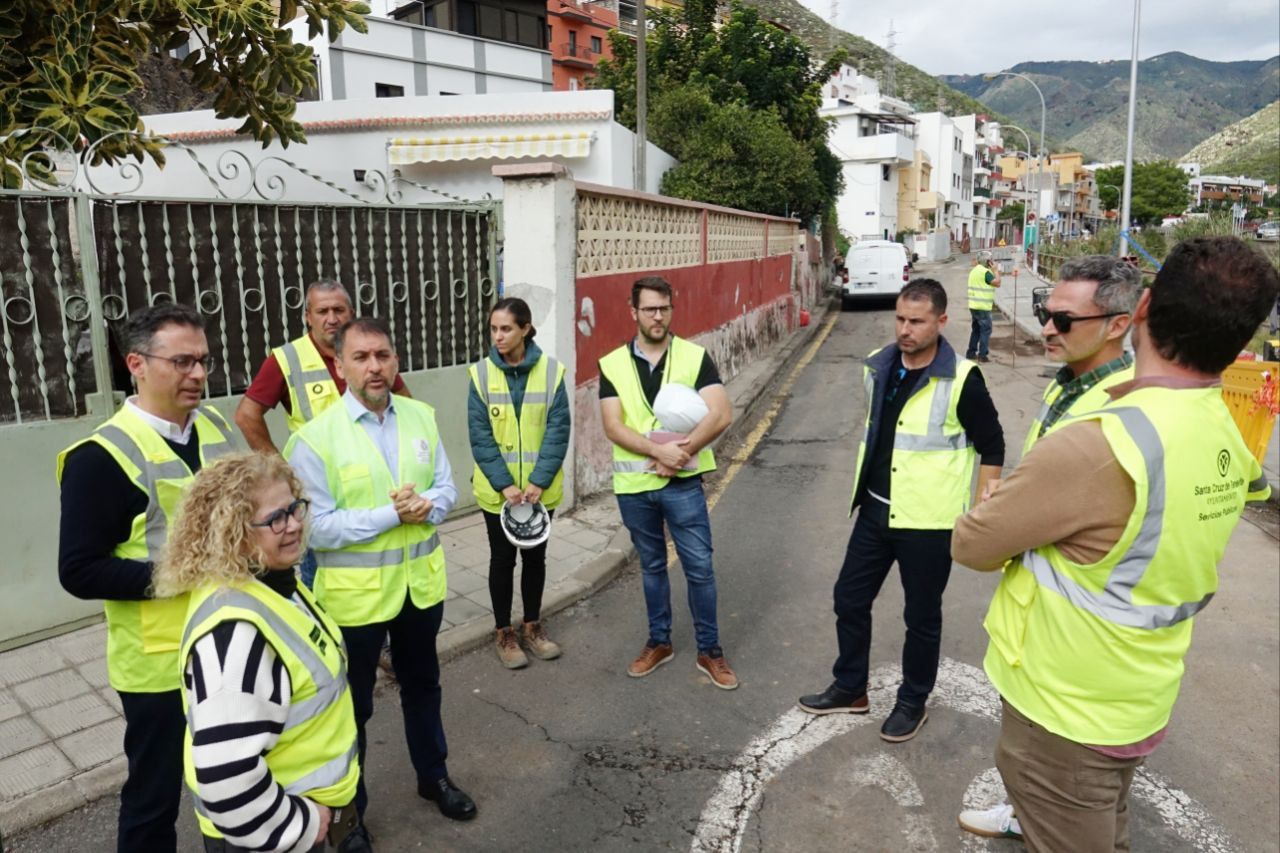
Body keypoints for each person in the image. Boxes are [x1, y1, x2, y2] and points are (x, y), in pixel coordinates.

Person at [952, 237, 1277, 852]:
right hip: (1137, 692)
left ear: (1143, 308)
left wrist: (1014, 512)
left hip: (1065, 706)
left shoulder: (1103, 442)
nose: (1050, 325)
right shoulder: (1222, 430)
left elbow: (972, 545)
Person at [284, 317, 475, 844]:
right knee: (351, 710)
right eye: (362, 357)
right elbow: (314, 531)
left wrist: (429, 505)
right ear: (340, 365)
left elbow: (447, 487)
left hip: (420, 589)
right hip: (354, 602)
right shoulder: (314, 439)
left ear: (395, 360)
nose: (375, 366)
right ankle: (349, 819)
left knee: (423, 687)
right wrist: (393, 515)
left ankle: (433, 777)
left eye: (383, 355)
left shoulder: (421, 416)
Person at [56, 304, 239, 852]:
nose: (199, 375)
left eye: (203, 361)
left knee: (232, 784)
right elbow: (79, 571)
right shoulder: (100, 457)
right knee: (153, 798)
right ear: (136, 363)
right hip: (158, 664)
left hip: (229, 646)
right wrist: (182, 575)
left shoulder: (216, 426)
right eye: (182, 362)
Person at [798, 278, 1005, 742]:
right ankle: (851, 688)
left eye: (917, 321)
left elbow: (992, 445)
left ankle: (912, 701)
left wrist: (984, 511)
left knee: (921, 617)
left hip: (928, 524)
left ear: (941, 322)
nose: (905, 330)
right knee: (849, 599)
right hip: (874, 512)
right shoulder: (880, 366)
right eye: (900, 319)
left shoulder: (962, 380)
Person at [154, 453, 360, 853]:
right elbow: (226, 781)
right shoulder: (236, 635)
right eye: (275, 519)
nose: (295, 524)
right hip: (267, 838)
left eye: (295, 508)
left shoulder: (272, 582)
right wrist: (300, 827)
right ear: (233, 532)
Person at [599, 276, 738, 690]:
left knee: (699, 567)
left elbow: (721, 413)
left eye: (664, 308)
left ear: (670, 310)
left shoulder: (695, 357)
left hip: (683, 484)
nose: (657, 316)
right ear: (634, 312)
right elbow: (612, 425)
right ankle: (659, 642)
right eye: (649, 309)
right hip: (635, 486)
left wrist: (683, 451)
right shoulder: (612, 363)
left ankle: (710, 651)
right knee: (652, 566)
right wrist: (658, 452)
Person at [236, 281, 410, 587]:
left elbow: (407, 406)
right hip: (321, 491)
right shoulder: (287, 359)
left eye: (339, 310)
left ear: (351, 313)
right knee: (325, 573)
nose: (332, 318)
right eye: (322, 311)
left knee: (382, 567)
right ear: (308, 316)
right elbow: (246, 415)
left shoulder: (365, 352)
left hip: (372, 487)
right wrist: (281, 471)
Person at [467, 297, 571, 669]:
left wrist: (540, 481)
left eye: (506, 328)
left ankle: (532, 626)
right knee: (501, 559)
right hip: (499, 494)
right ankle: (503, 633)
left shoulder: (551, 373)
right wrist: (504, 485)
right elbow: (480, 436)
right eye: (494, 329)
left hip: (540, 493)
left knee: (535, 558)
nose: (498, 336)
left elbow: (558, 432)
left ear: (526, 329)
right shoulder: (480, 375)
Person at [1022, 255, 1140, 457]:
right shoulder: (1062, 383)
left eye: (1063, 320)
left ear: (1116, 326)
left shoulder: (1130, 408)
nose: (1047, 330)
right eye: (1044, 316)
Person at [966, 252, 1002, 363]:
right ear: (988, 262)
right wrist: (996, 271)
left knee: (976, 330)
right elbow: (997, 283)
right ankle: (982, 355)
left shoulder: (974, 271)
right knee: (985, 331)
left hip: (973, 306)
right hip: (983, 307)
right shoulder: (985, 272)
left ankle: (971, 353)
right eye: (991, 261)